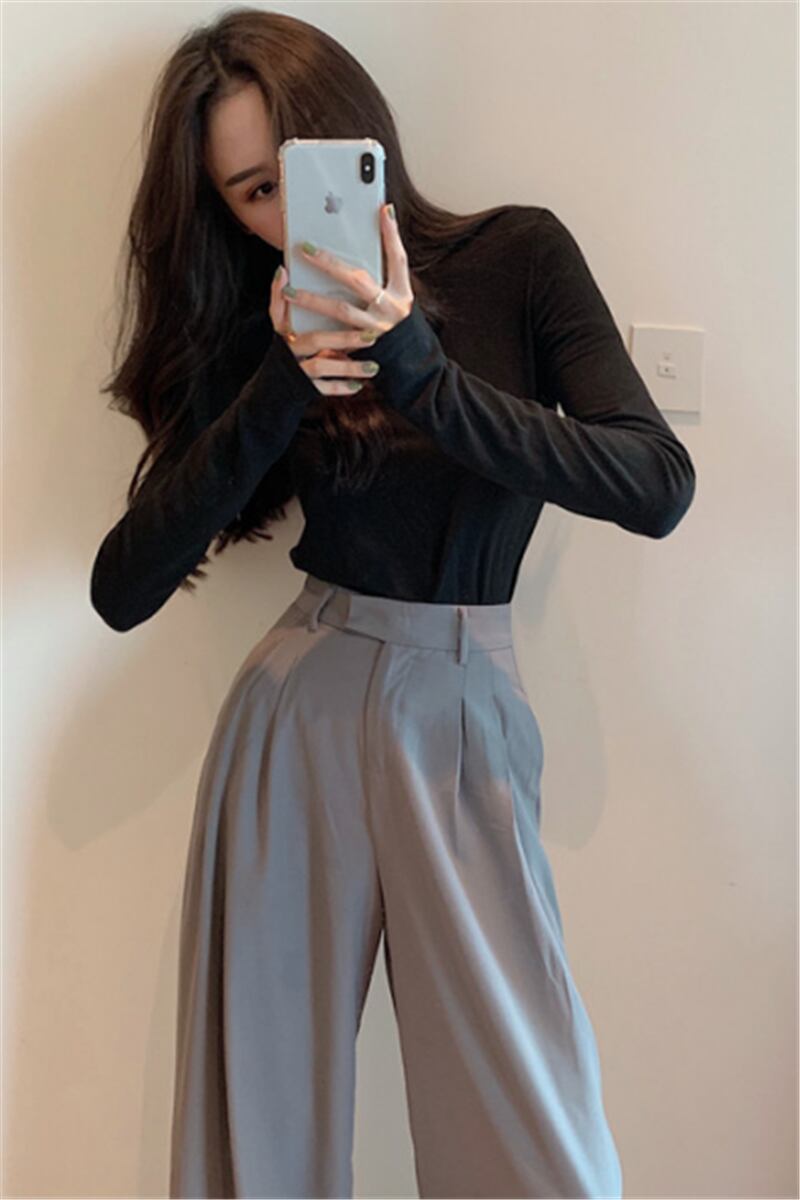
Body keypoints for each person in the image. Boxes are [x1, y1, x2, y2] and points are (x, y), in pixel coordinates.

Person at [90, 7, 696, 1198]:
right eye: (253, 193)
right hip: (299, 706)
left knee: (534, 1144)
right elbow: (124, 586)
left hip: (461, 710)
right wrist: (278, 385)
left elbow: (652, 484)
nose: (285, 212)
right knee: (259, 1135)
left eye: (299, 167)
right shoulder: (264, 324)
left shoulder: (518, 255)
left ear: (356, 135)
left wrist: (418, 369)